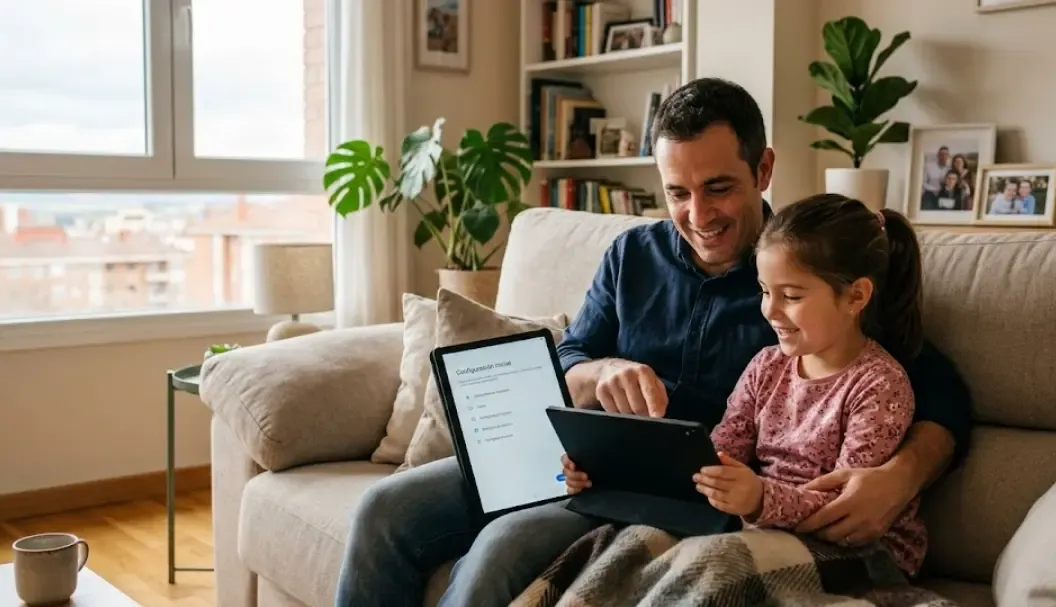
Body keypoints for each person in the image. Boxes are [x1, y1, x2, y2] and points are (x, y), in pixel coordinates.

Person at [335, 77, 972, 607]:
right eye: (677, 192)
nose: (698, 214)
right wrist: (599, 371)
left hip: (670, 493)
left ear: (764, 168)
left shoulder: (809, 274)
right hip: (580, 458)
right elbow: (568, 357)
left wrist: (900, 474)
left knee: (501, 548)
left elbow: (934, 385)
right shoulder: (631, 255)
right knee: (383, 510)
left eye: (719, 187)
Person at [694, 195, 929, 577]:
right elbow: (723, 450)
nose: (769, 310)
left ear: (855, 296)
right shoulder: (765, 366)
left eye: (791, 296)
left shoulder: (879, 384)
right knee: (638, 542)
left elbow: (843, 508)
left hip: (861, 551)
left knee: (720, 565)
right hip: (768, 530)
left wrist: (756, 499)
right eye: (765, 291)